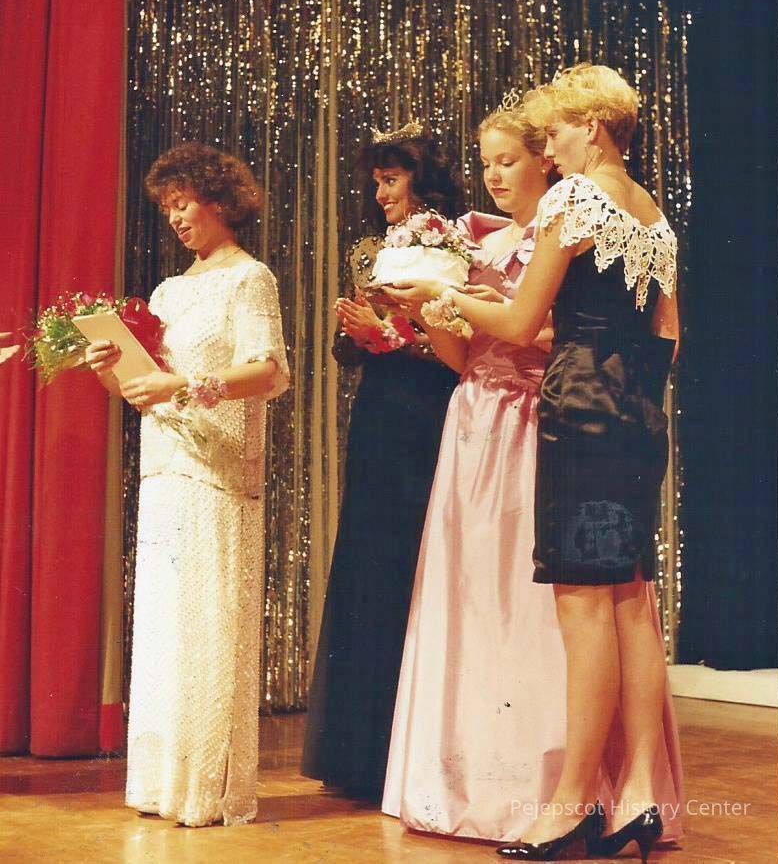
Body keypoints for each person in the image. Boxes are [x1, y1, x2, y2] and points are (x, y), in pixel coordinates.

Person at [381, 94, 683, 848]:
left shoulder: (573, 200)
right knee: (629, 599)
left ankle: (571, 801)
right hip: (637, 411)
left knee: (584, 608)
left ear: (593, 127)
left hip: (578, 407)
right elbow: (668, 335)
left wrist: (445, 296)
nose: (549, 151)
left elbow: (519, 325)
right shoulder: (652, 213)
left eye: (554, 134)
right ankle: (640, 794)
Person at [85, 142, 289, 827]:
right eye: (167, 207)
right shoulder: (169, 292)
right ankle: (160, 784)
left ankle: (206, 788)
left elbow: (267, 372)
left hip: (218, 473)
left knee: (208, 623)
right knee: (167, 628)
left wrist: (185, 384)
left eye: (183, 203)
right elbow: (144, 390)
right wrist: (110, 367)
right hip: (167, 469)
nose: (174, 217)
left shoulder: (249, 278)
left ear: (219, 201)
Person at [301, 122, 464, 801]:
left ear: (423, 184)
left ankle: (407, 750)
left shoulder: (456, 245)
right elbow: (349, 350)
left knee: (409, 561)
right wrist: (360, 335)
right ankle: (357, 754)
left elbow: (459, 351)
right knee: (367, 561)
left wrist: (395, 337)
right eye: (376, 182)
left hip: (427, 414)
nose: (380, 194)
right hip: (378, 415)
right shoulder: (372, 251)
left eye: (390, 180)